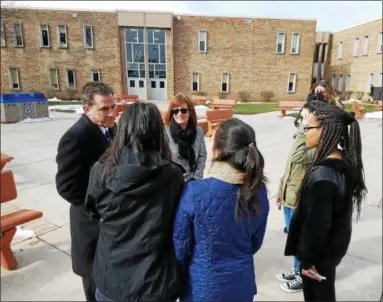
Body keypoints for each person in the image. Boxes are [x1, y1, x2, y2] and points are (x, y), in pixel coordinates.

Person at [84, 103, 185, 302]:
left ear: (124, 129)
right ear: (158, 132)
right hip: (152, 282)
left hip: (116, 278)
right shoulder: (172, 174)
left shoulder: (101, 170)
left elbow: (93, 210)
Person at [173, 118, 270, 302]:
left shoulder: (196, 192)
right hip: (242, 285)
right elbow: (255, 243)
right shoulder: (259, 190)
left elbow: (180, 247)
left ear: (218, 150)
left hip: (205, 288)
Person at [285, 102, 367, 301]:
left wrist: (306, 260)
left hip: (319, 255)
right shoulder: (342, 164)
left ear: (325, 131)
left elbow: (317, 225)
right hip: (331, 250)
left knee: (318, 295)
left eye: (308, 128)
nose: (305, 132)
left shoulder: (323, 175)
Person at [55, 82, 116, 301]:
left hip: (108, 223)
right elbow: (67, 187)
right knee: (93, 285)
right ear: (86, 109)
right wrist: (100, 206)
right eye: (104, 109)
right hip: (89, 224)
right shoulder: (76, 137)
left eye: (113, 106)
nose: (111, 113)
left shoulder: (111, 129)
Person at [276, 103, 322, 293]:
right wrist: (280, 191)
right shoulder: (303, 140)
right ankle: (297, 270)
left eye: (304, 119)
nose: (300, 122)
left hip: (300, 201)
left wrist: (302, 133)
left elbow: (297, 156)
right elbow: (289, 169)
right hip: (289, 197)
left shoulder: (317, 147)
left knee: (302, 242)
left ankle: (304, 276)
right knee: (294, 241)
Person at [164, 93, 207, 182]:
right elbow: (164, 160)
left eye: (183, 110)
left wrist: (195, 177)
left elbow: (202, 156)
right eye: (176, 111)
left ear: (190, 112)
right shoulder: (166, 133)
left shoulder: (198, 131)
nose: (179, 114)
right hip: (173, 181)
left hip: (193, 180)